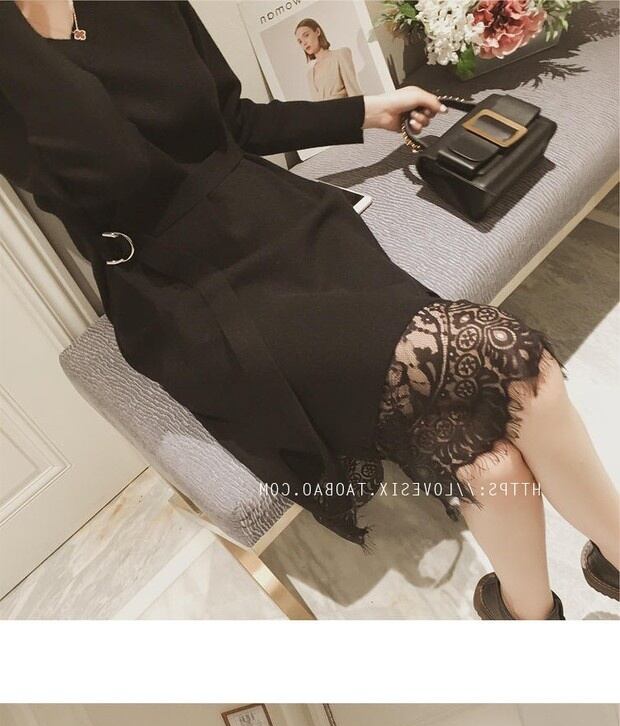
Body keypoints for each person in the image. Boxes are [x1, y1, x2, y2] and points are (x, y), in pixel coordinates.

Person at [1, 2, 617, 615]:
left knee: (494, 448)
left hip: (277, 221)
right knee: (514, 362)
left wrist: (366, 110)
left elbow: (230, 120)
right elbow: (114, 164)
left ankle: (528, 616)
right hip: (179, 291)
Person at [295, 17, 363, 100]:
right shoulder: (310, 74)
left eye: (306, 35)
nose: (304, 43)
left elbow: (354, 92)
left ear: (317, 32)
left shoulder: (340, 55)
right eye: (300, 41)